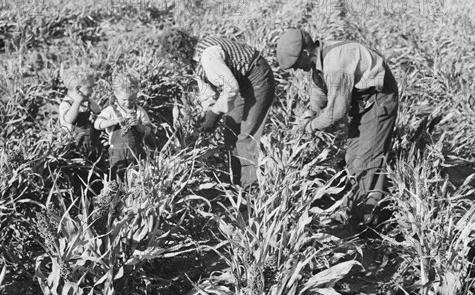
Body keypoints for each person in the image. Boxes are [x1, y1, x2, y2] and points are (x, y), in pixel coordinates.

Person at [276, 29, 399, 230]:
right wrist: (309, 114)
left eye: (296, 64)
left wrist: (310, 128)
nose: (297, 69)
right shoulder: (319, 62)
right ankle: (363, 206)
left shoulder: (335, 64)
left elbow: (337, 111)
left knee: (366, 160)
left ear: (306, 53)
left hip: (378, 99)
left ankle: (367, 217)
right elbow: (319, 91)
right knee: (353, 158)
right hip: (361, 102)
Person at [159, 28, 275, 189]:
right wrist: (209, 113)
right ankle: (236, 184)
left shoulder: (208, 56)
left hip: (256, 78)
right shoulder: (196, 61)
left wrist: (214, 114)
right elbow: (206, 91)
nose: (176, 63)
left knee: (246, 137)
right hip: (241, 82)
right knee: (231, 136)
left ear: (182, 52)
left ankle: (251, 189)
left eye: (175, 58)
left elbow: (230, 87)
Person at [94, 73, 154, 181]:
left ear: (136, 95)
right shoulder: (111, 111)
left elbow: (148, 129)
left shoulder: (139, 111)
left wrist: (139, 126)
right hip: (117, 154)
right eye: (124, 100)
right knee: (117, 179)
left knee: (138, 180)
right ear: (116, 95)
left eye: (131, 99)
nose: (127, 103)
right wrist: (114, 121)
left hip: (136, 152)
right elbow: (97, 124)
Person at [59, 65, 104, 168]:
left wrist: (95, 109)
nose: (92, 90)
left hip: (92, 144)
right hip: (75, 147)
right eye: (90, 87)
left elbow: (98, 113)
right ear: (78, 89)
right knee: (80, 172)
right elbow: (69, 119)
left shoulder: (86, 102)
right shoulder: (66, 105)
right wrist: (77, 103)